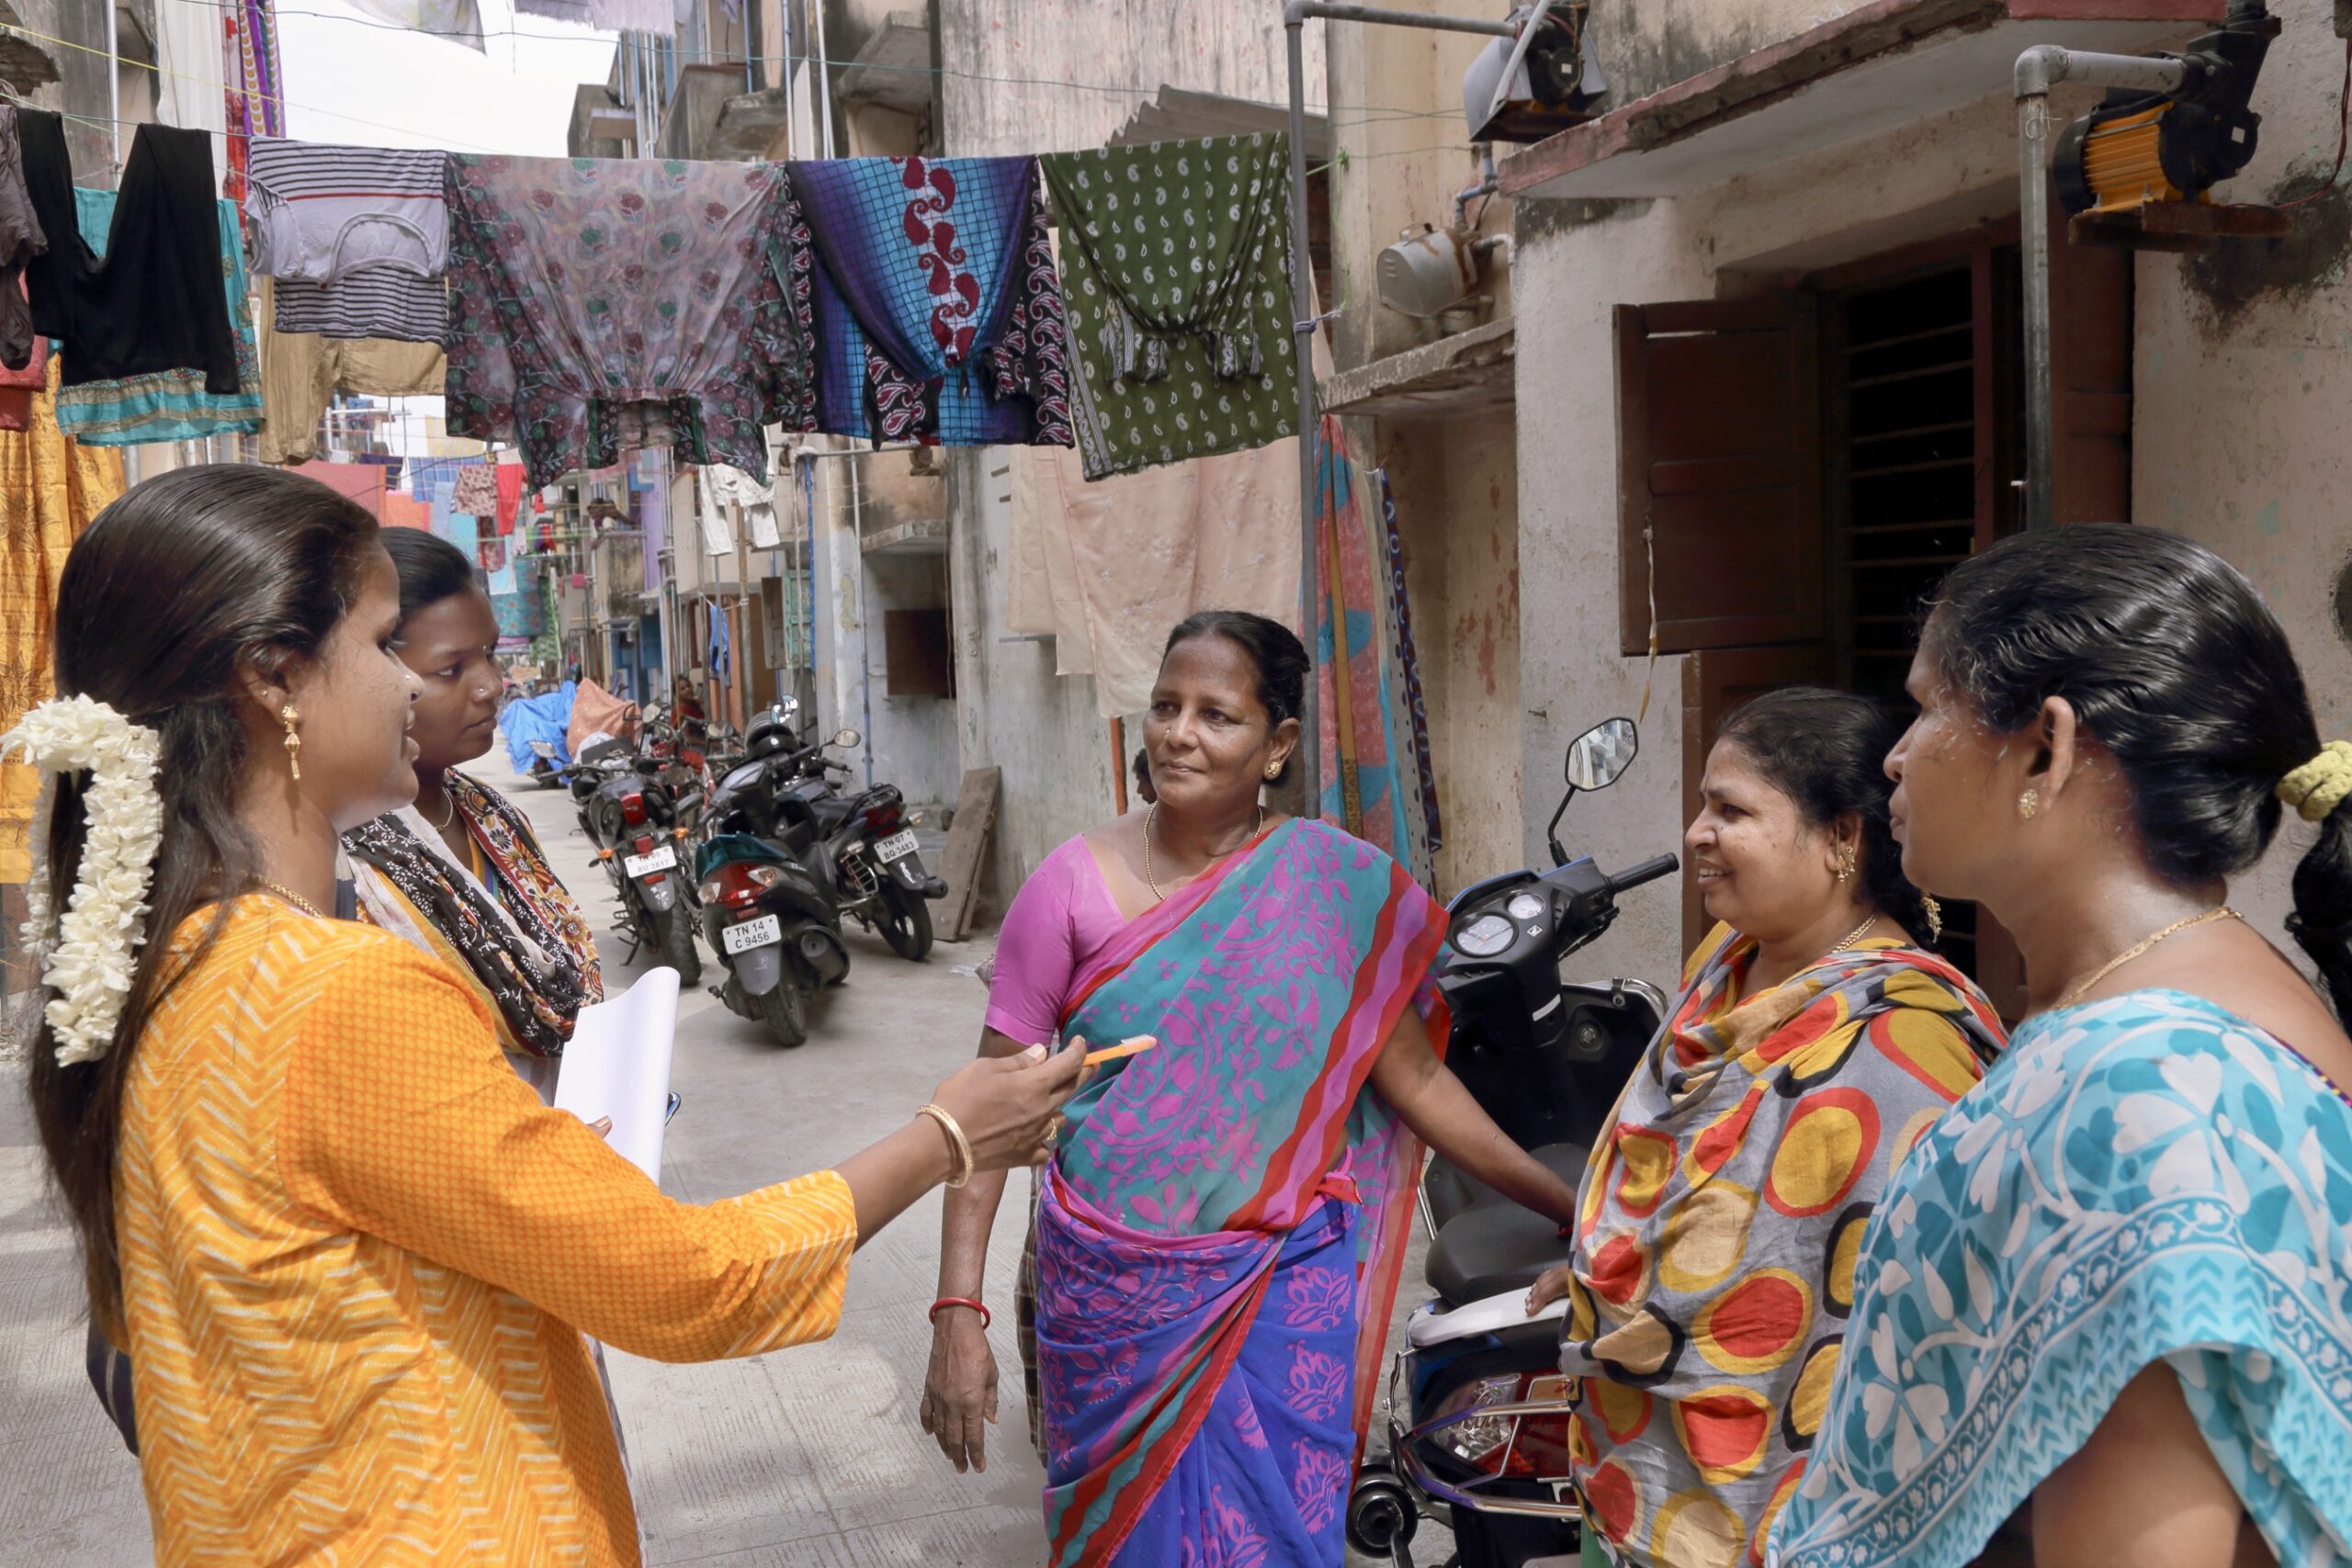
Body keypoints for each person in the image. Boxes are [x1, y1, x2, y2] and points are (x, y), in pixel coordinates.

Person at [11, 466, 1090, 1566]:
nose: (414, 691)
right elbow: (688, 1282)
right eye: (387, 648)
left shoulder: (177, 963)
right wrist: (948, 1135)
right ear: (277, 680)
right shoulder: (331, 992)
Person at [921, 609, 1585, 1567]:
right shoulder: (1065, 888)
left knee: (1272, 1535)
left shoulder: (1333, 887)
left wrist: (1571, 1203)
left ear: (1276, 745)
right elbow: (984, 1122)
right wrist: (957, 1315)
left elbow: (1418, 1080)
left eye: (1215, 715)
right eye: (1164, 706)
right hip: (1110, 1292)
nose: (1178, 733)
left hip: (1279, 1285)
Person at [1769, 525, 2352, 1568]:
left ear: (2047, 746)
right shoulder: (2202, 1011)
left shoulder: (2132, 1088)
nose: (1894, 754)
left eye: (1928, 706)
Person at [1524, 687, 2007, 1568]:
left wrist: (1653, 1302)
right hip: (1637, 1461)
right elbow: (1685, 1179)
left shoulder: (1905, 1038)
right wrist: (1605, 1278)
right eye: (1704, 805)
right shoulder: (1728, 963)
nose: (1696, 834)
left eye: (1731, 809)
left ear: (1842, 838)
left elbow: (1893, 1310)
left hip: (1785, 1493)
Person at [344, 526, 599, 1101]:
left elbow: (567, 970)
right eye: (450, 669)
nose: (490, 686)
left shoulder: (493, 816)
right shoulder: (343, 858)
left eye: (488, 654)